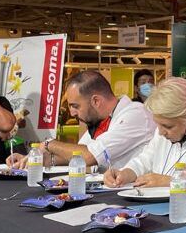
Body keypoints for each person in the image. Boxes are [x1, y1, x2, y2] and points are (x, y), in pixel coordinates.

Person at [104, 77, 186, 188]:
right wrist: (126, 173)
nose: (160, 132)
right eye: (157, 124)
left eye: (168, 126)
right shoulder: (164, 127)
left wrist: (168, 182)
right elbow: (146, 159)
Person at [10, 70, 153, 171]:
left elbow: (89, 156)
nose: (72, 113)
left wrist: (48, 144)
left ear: (96, 101)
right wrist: (39, 159)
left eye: (75, 106)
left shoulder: (135, 114)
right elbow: (78, 155)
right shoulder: (101, 121)